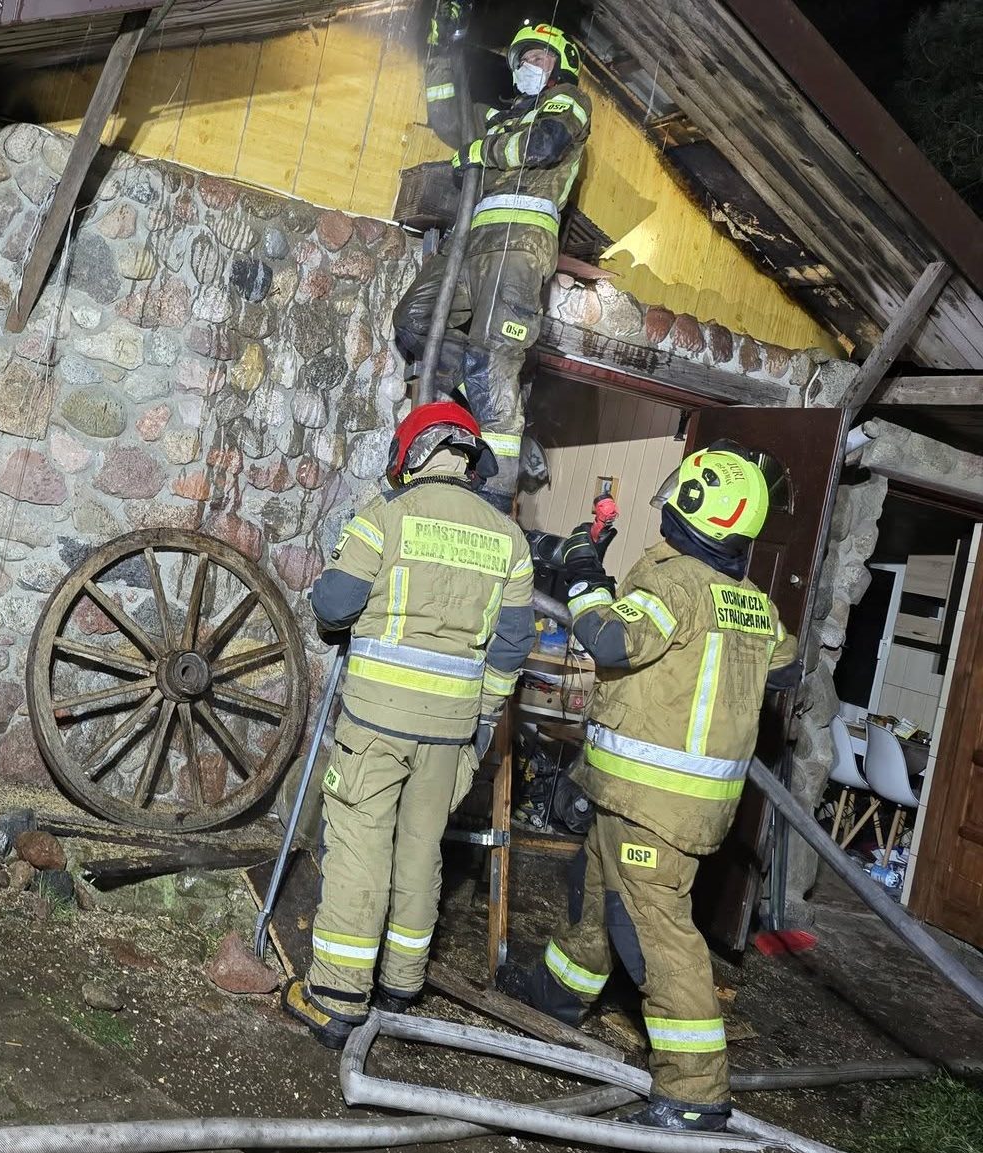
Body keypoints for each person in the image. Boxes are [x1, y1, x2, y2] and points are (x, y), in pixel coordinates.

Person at [498, 443, 803, 1131]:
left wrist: (582, 571)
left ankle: (695, 1096)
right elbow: (785, 666)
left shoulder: (676, 586)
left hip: (654, 808)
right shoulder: (750, 602)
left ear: (699, 514)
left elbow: (609, 641)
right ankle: (554, 998)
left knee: (657, 939)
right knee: (597, 904)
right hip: (649, 799)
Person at [283, 402, 537, 1048]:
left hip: (377, 721)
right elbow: (510, 647)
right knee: (422, 848)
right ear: (468, 458)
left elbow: (334, 608)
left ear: (410, 454)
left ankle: (338, 994)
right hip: (452, 729)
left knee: (361, 843)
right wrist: (483, 719)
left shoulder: (384, 520)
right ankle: (401, 980)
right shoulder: (508, 540)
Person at [393, 18, 591, 513]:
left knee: (493, 361)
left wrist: (482, 153)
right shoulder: (499, 117)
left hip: (520, 249)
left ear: (559, 67)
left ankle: (498, 497)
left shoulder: (567, 102)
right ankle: (478, 400)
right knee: (415, 321)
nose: (529, 66)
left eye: (540, 59)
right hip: (470, 244)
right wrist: (442, 46)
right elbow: (446, 115)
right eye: (523, 59)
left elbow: (544, 145)